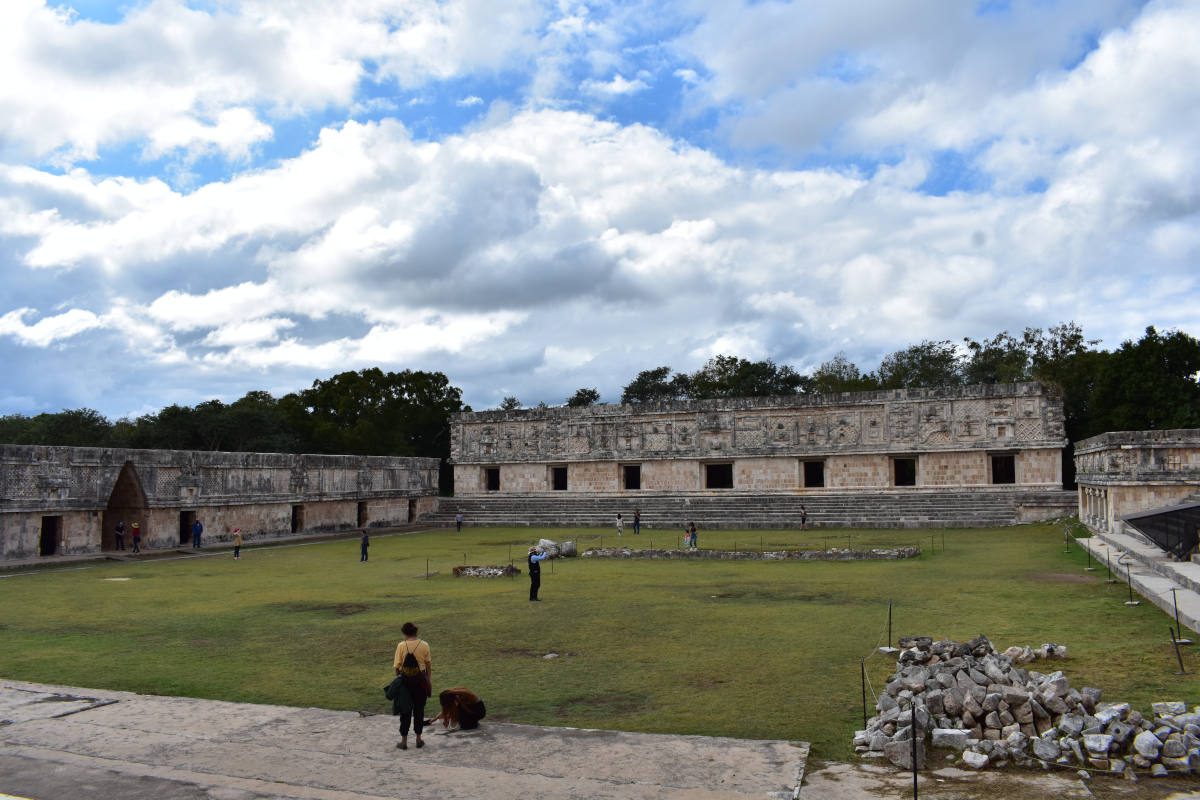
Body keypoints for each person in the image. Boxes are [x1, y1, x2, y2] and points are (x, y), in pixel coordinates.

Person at [392, 622, 432, 750]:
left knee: (405, 712)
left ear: (405, 633)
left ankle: (404, 742)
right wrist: (428, 679)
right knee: (419, 711)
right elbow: (428, 665)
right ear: (416, 632)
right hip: (420, 682)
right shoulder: (424, 645)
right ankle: (418, 739)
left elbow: (397, 667)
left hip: (405, 682)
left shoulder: (401, 646)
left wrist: (398, 678)